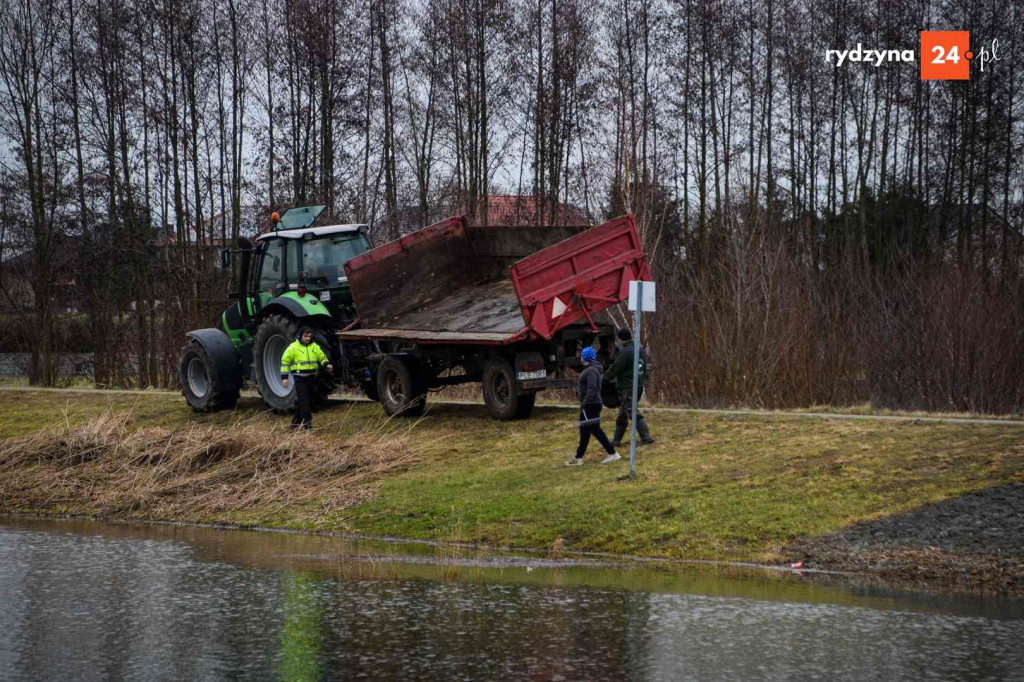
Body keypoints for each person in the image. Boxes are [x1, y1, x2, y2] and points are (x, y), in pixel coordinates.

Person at [567, 346, 623, 466]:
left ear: (585, 357)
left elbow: (593, 388)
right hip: (589, 404)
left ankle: (612, 453)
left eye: (582, 355)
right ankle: (578, 457)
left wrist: (586, 402)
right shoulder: (591, 369)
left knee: (595, 430)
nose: (580, 357)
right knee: (584, 431)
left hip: (590, 405)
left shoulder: (591, 371)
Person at [605, 327, 655, 447]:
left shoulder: (625, 352)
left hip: (628, 386)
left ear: (621, 339)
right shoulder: (639, 349)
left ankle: (646, 437)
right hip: (638, 384)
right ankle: (616, 441)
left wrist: (605, 378)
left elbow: (616, 367)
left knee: (631, 411)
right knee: (623, 414)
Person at [281, 327, 333, 430]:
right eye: (306, 336)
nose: (308, 338)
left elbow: (321, 357)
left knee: (308, 401)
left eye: (309, 336)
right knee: (304, 403)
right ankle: (308, 427)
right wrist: (284, 378)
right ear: (300, 336)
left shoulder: (315, 347)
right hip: (299, 379)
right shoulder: (293, 348)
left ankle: (295, 423)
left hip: (312, 378)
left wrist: (327, 364)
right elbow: (285, 362)